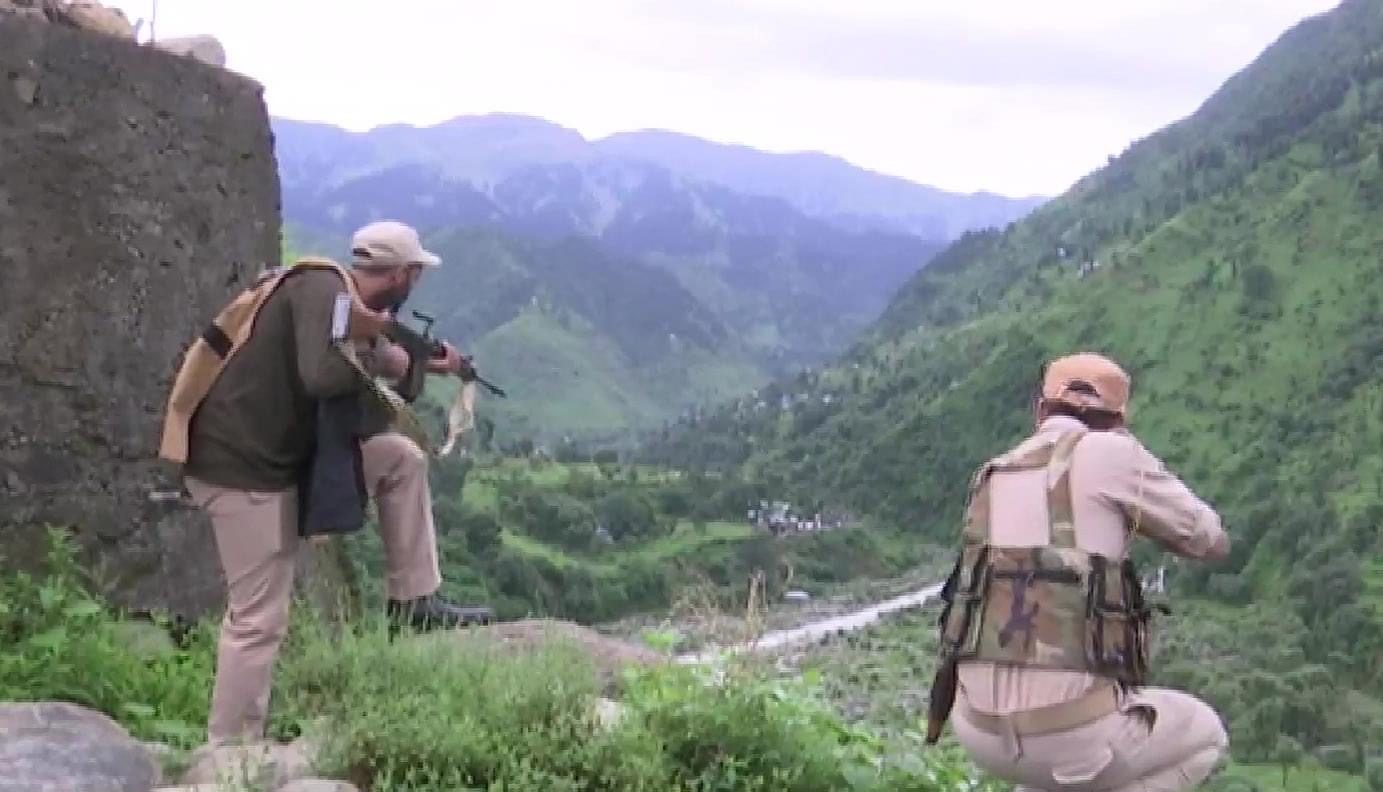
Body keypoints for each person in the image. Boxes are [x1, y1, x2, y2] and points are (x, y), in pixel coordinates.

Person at [158, 219, 488, 746]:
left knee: (401, 458)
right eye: (415, 276)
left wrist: (409, 365)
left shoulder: (342, 308)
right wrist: (385, 354)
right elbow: (322, 375)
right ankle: (229, 755)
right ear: (402, 274)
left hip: (284, 460)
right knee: (257, 620)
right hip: (241, 468)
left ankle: (414, 603)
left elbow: (363, 416)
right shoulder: (322, 288)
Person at [929, 352, 1231, 792]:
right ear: (1120, 420)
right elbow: (1209, 539)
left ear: (1040, 411)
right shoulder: (1115, 453)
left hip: (977, 729)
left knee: (1049, 770)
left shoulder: (993, 473)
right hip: (1070, 738)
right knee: (1206, 734)